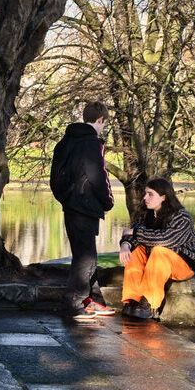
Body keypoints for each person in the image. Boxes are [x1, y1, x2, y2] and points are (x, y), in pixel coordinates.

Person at [50, 101, 116, 320]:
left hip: (70, 205)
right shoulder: (91, 144)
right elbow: (99, 177)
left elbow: (54, 178)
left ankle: (93, 300)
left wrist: (65, 198)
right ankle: (75, 303)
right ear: (100, 120)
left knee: (85, 255)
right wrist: (108, 202)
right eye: (104, 124)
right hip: (85, 206)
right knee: (86, 258)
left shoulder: (64, 143)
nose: (103, 128)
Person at [119, 177, 195, 319]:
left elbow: (165, 239)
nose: (145, 197)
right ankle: (132, 300)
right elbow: (131, 234)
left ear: (163, 197)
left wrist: (135, 233)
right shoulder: (147, 214)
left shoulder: (182, 217)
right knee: (136, 250)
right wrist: (125, 245)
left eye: (150, 194)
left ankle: (150, 304)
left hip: (184, 263)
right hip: (158, 260)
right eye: (145, 193)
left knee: (159, 250)